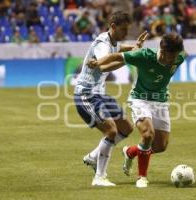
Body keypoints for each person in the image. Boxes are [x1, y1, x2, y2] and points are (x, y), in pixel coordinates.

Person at [88, 32, 187, 188]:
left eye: (176, 55)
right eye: (171, 56)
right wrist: (98, 62)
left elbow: (183, 53)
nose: (174, 59)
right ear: (162, 49)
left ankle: (131, 152)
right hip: (140, 99)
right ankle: (142, 177)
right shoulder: (145, 56)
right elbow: (117, 57)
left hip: (161, 101)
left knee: (160, 146)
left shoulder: (180, 57)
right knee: (148, 135)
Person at [73, 11, 148, 187]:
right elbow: (105, 64)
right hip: (86, 94)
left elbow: (118, 48)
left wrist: (134, 47)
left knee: (126, 127)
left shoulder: (112, 41)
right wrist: (130, 59)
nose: (125, 34)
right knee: (111, 131)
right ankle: (99, 177)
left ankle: (93, 157)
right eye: (123, 30)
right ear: (113, 27)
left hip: (100, 94)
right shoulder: (101, 44)